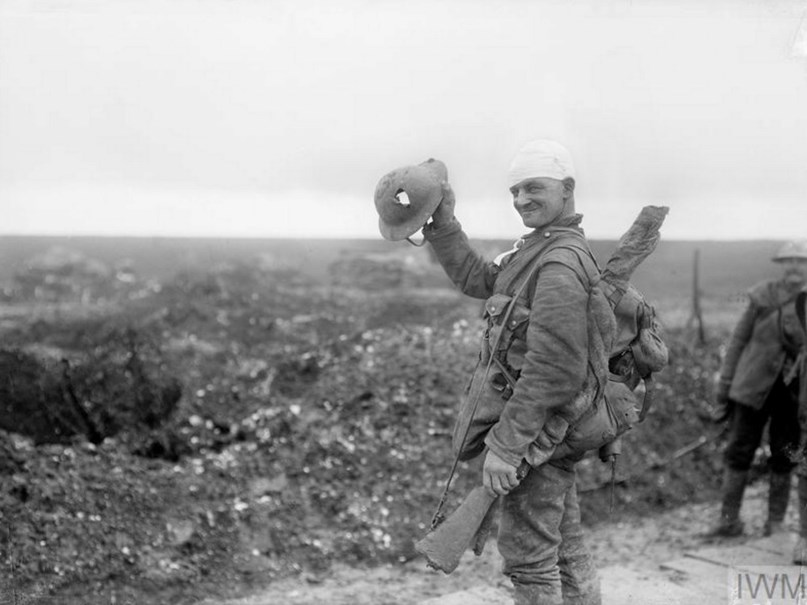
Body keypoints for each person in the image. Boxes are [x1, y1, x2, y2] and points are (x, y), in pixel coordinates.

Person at [422, 140, 615, 605]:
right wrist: (442, 223)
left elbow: (554, 370)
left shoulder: (558, 264)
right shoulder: (538, 250)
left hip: (537, 433)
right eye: (514, 190)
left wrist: (506, 449)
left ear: (567, 188)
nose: (521, 199)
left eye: (533, 187)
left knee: (529, 558)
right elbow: (480, 279)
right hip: (547, 429)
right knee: (563, 547)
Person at [710, 240, 807, 538]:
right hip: (751, 389)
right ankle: (729, 521)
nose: (793, 267)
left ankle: (774, 523)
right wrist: (724, 387)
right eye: (788, 261)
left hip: (792, 394)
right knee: (739, 452)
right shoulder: (762, 295)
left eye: (800, 261)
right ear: (780, 265)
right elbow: (738, 342)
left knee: (784, 455)